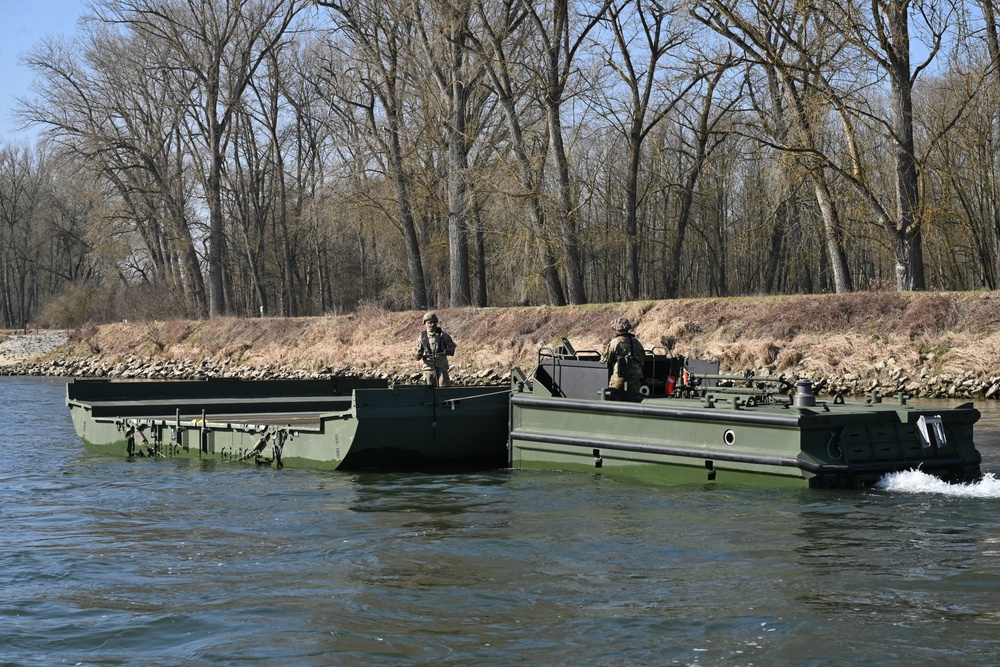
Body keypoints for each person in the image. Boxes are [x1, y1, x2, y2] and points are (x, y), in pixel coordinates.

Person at [600, 317, 646, 394]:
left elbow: (604, 360)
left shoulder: (615, 342)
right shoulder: (637, 342)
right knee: (634, 398)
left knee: (614, 397)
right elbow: (642, 360)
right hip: (636, 376)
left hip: (620, 377)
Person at [415, 311, 456, 386]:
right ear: (425, 324)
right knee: (428, 390)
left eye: (434, 322)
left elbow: (452, 349)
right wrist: (418, 355)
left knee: (444, 388)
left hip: (441, 367)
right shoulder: (422, 337)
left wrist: (448, 351)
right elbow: (417, 354)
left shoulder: (443, 335)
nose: (432, 324)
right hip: (428, 368)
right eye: (430, 322)